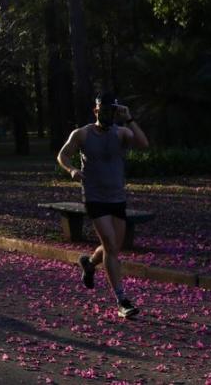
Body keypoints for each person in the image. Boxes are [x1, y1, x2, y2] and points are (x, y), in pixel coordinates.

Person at [56, 92, 149, 318]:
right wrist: (72, 170)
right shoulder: (82, 134)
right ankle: (122, 300)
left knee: (114, 248)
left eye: (112, 111)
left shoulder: (122, 133)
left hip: (117, 197)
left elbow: (144, 144)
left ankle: (89, 263)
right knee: (109, 243)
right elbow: (63, 155)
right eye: (104, 111)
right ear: (96, 111)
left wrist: (129, 118)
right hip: (94, 197)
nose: (108, 115)